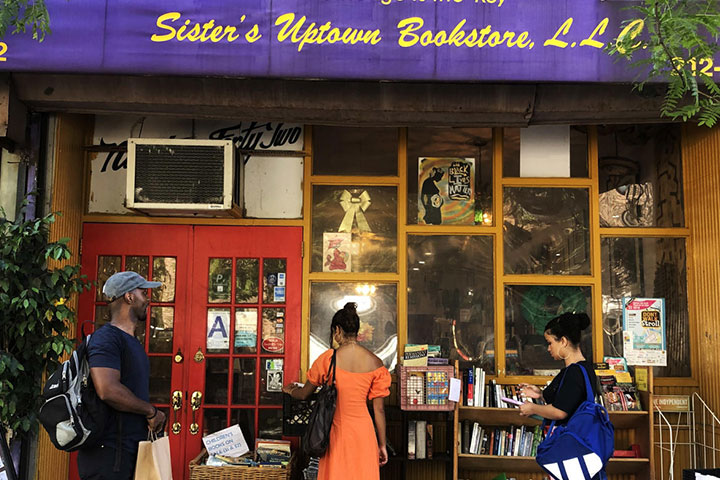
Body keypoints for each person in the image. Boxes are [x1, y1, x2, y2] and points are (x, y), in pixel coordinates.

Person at [283, 302, 391, 480]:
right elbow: (379, 410)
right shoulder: (376, 363)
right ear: (356, 331)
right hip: (364, 434)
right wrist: (382, 445)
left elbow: (304, 394)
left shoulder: (328, 359)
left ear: (338, 330)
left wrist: (290, 390)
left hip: (336, 433)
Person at [77, 271, 167, 480]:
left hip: (126, 453)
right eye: (143, 292)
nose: (147, 299)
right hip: (108, 456)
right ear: (129, 297)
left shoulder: (130, 342)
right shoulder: (106, 338)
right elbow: (107, 390)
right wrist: (151, 411)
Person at [517, 312, 598, 424]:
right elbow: (568, 399)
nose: (548, 349)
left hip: (569, 437)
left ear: (563, 341)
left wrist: (532, 408)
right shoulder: (584, 368)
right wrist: (540, 394)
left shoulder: (574, 372)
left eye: (550, 343)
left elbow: (560, 411)